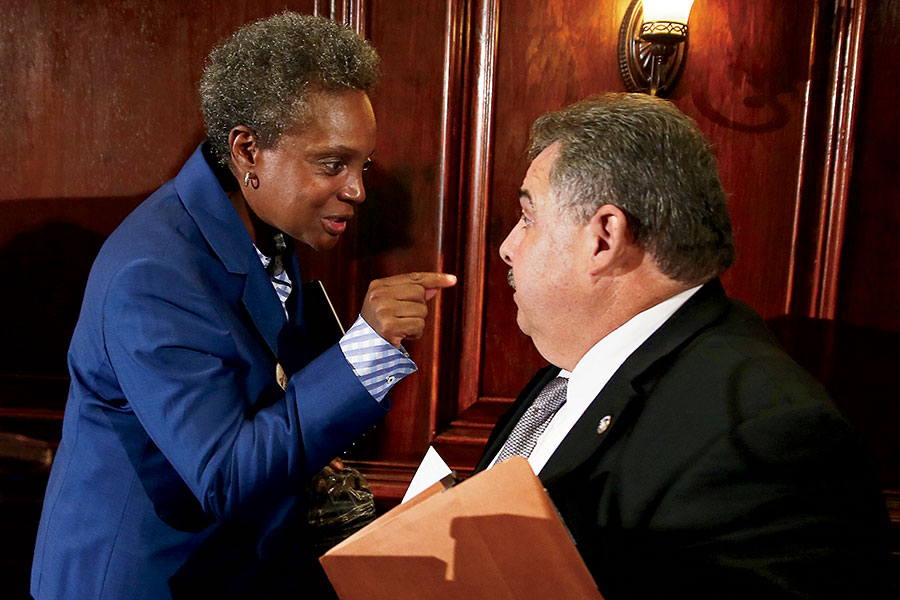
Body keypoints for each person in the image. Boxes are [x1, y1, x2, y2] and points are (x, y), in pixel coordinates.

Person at [31, 12, 455, 600]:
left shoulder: (265, 231)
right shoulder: (153, 272)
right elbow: (226, 475)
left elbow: (262, 402)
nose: (357, 189)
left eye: (364, 166)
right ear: (247, 149)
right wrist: (366, 350)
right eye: (333, 164)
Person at [475, 93, 888, 599]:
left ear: (604, 238)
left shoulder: (769, 432)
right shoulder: (566, 373)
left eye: (528, 217)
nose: (508, 246)